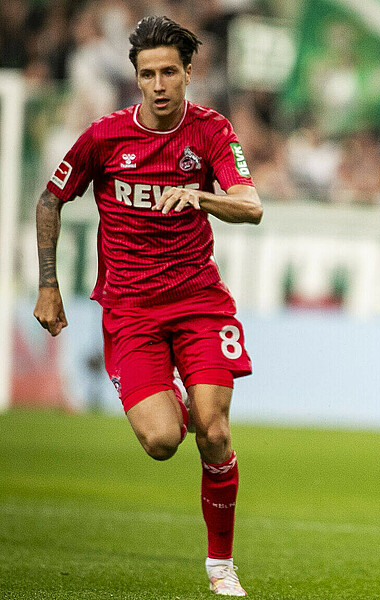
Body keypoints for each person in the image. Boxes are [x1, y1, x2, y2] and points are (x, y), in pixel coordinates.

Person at [32, 16, 262, 596]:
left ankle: (221, 566)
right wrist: (48, 284)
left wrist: (201, 196)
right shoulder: (105, 137)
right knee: (162, 441)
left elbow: (251, 206)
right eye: (147, 74)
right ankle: (175, 398)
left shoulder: (210, 131)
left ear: (188, 73)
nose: (158, 85)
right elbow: (50, 199)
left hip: (200, 303)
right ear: (135, 77)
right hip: (131, 311)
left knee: (214, 431)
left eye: (169, 73)